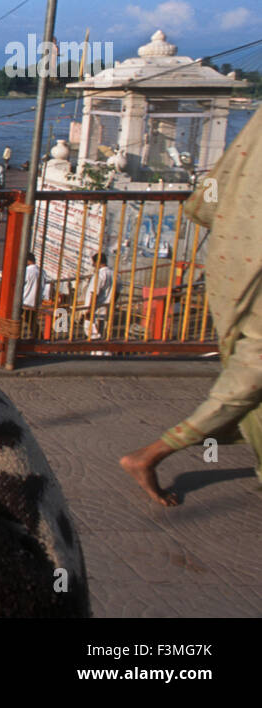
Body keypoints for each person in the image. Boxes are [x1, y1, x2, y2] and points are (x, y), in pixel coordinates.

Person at [121, 107, 262, 505]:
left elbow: (214, 186)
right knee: (251, 373)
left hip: (232, 258)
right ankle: (151, 453)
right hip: (251, 267)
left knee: (248, 369)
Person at [81, 252, 114, 339]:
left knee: (91, 334)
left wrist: (89, 310)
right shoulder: (114, 274)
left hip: (95, 309)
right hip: (105, 308)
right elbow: (117, 291)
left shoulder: (99, 275)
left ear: (97, 262)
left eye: (94, 263)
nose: (93, 265)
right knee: (100, 332)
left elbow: (94, 293)